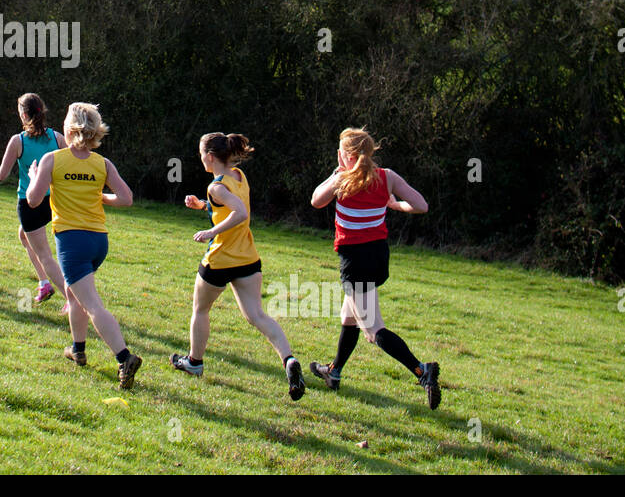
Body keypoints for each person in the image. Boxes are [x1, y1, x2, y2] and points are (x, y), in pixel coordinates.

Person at [309, 127, 440, 408]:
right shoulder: (387, 176)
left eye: (339, 151)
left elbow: (315, 200)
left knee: (372, 330)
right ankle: (334, 372)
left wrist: (334, 174)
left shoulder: (341, 180)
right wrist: (394, 205)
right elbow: (421, 205)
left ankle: (422, 371)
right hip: (379, 258)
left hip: (355, 262)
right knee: (349, 316)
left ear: (345, 154)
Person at [171, 132, 305, 400]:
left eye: (201, 156)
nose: (201, 160)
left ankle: (194, 363)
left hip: (220, 259)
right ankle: (288, 360)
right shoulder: (239, 177)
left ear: (210, 157)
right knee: (257, 315)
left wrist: (210, 233)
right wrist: (202, 206)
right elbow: (230, 204)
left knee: (200, 309)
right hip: (247, 258)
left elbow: (239, 213)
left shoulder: (216, 186)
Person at [25, 102, 142, 389]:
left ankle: (123, 357)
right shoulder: (102, 163)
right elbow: (126, 198)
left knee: (91, 304)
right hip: (98, 241)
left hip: (72, 241)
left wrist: (32, 177)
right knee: (74, 294)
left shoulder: (53, 159)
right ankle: (78, 349)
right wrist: (103, 197)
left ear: (70, 128)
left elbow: (33, 200)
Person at [0, 93, 69, 311]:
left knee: (45, 255)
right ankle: (44, 284)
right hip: (54, 201)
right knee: (23, 236)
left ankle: (72, 299)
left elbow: (2, 175)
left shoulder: (18, 141)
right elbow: (71, 163)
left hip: (30, 204)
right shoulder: (57, 137)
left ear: (24, 115)